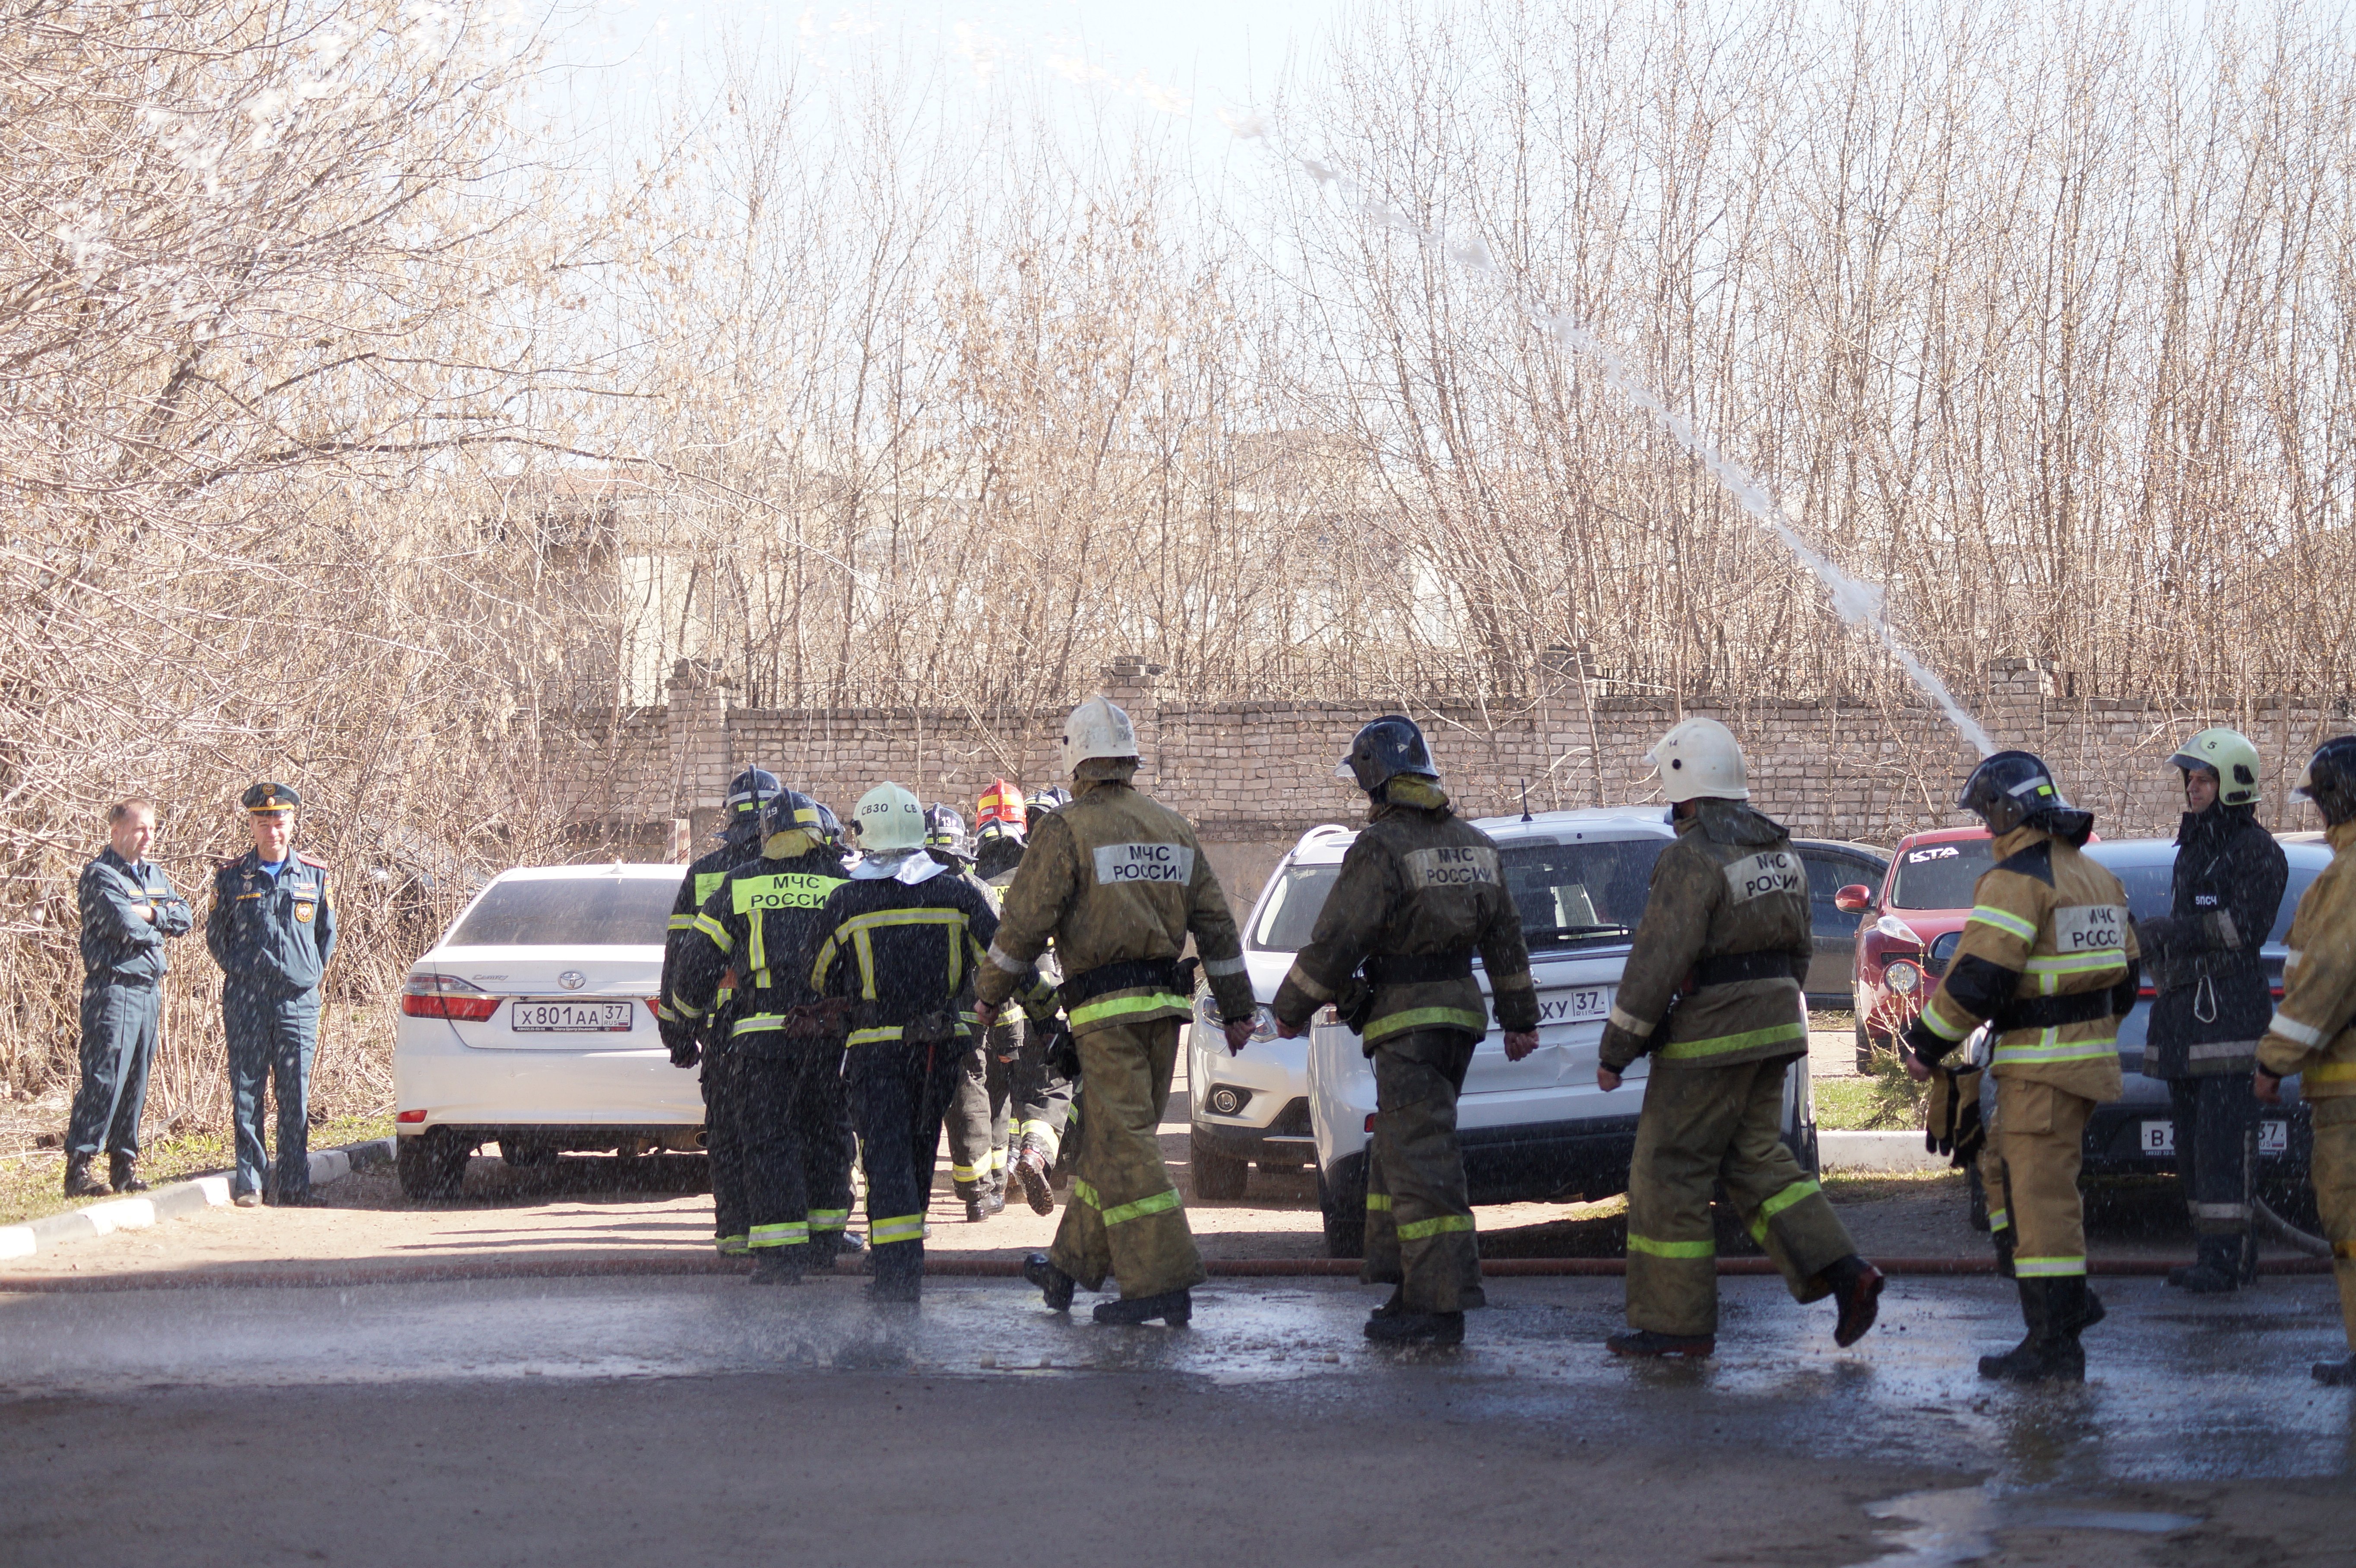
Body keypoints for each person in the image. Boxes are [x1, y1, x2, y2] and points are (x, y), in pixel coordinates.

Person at [1596, 719, 1884, 1359]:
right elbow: (1801, 948)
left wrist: (1617, 1050)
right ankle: (1847, 1273)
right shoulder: (1781, 855)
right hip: (1777, 1024)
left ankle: (1676, 1325)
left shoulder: (1691, 858)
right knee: (1755, 1159)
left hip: (1710, 1038)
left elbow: (1658, 960)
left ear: (1687, 789)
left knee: (1668, 1171)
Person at [972, 696, 1257, 1328]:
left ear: (1077, 760)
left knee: (1127, 1146)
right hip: (1165, 1012)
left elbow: (1022, 926)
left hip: (1105, 1016)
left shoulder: (1066, 829)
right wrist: (1238, 1010)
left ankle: (1162, 1281)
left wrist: (990, 994)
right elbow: (1216, 926)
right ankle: (1069, 1269)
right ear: (1131, 759)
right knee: (1109, 1147)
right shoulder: (1174, 827)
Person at [1270, 715, 1540, 1346]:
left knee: (1423, 1163)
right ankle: (1405, 1286)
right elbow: (1507, 941)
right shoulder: (1475, 844)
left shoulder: (1382, 849)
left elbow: (1339, 939)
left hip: (1407, 1023)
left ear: (1375, 779)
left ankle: (1440, 1306)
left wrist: (1290, 1009)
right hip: (1459, 1021)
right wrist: (1520, 1020)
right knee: (1398, 1151)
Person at [1901, 750, 2140, 1383]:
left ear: (2011, 812)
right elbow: (2126, 979)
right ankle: (2064, 1303)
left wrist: (1925, 1045)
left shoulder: (2015, 882)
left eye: (1988, 815)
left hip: (2042, 1071)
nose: (1986, 829)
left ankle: (2055, 1342)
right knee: (2003, 1171)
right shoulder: (2097, 878)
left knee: (2043, 1205)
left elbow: (1980, 976)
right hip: (2078, 1064)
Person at [804, 784, 1051, 1302]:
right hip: (939, 1050)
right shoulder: (957, 892)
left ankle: (895, 1272)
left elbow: (819, 975)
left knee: (886, 1156)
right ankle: (904, 1260)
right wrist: (1051, 1014)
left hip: (874, 1053)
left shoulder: (846, 899)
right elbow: (1006, 959)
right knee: (918, 1150)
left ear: (866, 835)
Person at [669, 790, 853, 1283]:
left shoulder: (741, 882)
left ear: (767, 837)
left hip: (758, 1041)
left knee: (770, 1143)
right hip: (826, 1039)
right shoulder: (840, 880)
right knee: (827, 1137)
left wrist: (684, 1022)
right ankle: (825, 1243)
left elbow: (695, 961)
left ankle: (781, 1256)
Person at [2138, 727, 2287, 1293]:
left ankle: (2231, 1260)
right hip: (2185, 1028)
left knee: (2224, 1151)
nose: (2193, 789)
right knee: (2193, 1153)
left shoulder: (2256, 852)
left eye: (2203, 780)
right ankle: (2210, 1253)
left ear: (2232, 786)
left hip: (2229, 1029)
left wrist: (2172, 931)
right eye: (2191, 780)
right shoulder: (2195, 849)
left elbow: (2241, 930)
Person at [2253, 735, 2356, 1385]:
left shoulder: (2348, 877)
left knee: (2350, 1223)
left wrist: (2274, 1062)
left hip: (2349, 1092)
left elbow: (2327, 977)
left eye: (2321, 803)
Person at [658, 766, 779, 1258]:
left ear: (728, 821)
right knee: (787, 1128)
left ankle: (734, 1234)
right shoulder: (797, 871)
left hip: (723, 1030)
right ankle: (795, 1230)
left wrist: (678, 1032)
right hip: (785, 1024)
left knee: (728, 1133)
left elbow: (680, 958)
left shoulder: (704, 873)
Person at [205, 782, 337, 1208]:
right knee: (247, 1088)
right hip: (247, 997)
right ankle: (251, 1181)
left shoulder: (314, 874)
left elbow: (325, 936)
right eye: (263, 822)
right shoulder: (231, 876)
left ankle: (295, 1184)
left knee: (294, 1093)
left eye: (279, 821)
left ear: (293, 822)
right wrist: (247, 971)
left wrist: (304, 973)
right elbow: (217, 936)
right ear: (252, 825)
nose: (272, 830)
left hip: (297, 1000)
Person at [64, 797, 194, 1198]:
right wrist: (157, 926)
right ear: (116, 830)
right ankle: (80, 1167)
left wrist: (152, 914)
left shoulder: (153, 875)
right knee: (105, 1077)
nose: (147, 837)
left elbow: (185, 916)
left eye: (152, 829)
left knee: (137, 1080)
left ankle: (124, 1166)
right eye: (139, 829)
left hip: (148, 990)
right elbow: (125, 928)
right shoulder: (101, 875)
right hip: (113, 989)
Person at [998, 787, 1079, 1216]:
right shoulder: (1056, 876)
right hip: (1047, 1003)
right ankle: (1034, 1157)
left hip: (999, 1008)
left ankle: (1006, 1168)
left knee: (1009, 1091)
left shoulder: (990, 877)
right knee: (1051, 1087)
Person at [931, 803, 1011, 1219]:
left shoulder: (905, 888)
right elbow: (997, 958)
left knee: (911, 1102)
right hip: (966, 1016)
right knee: (969, 1095)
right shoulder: (974, 890)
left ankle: (901, 1198)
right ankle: (978, 1192)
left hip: (911, 1020)